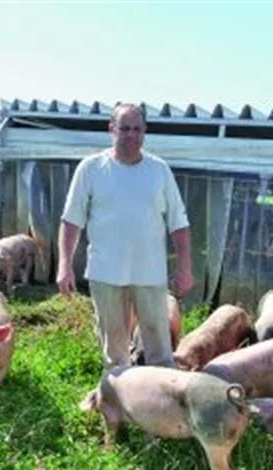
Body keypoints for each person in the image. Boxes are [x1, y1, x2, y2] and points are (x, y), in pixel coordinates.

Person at [56, 102, 194, 369]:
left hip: (150, 273)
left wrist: (185, 268)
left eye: (137, 129)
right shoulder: (91, 168)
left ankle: (160, 391)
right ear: (112, 129)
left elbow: (179, 224)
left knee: (159, 346)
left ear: (144, 131)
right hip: (106, 272)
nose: (131, 135)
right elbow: (71, 221)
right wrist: (65, 265)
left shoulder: (159, 170)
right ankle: (118, 391)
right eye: (125, 128)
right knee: (114, 350)